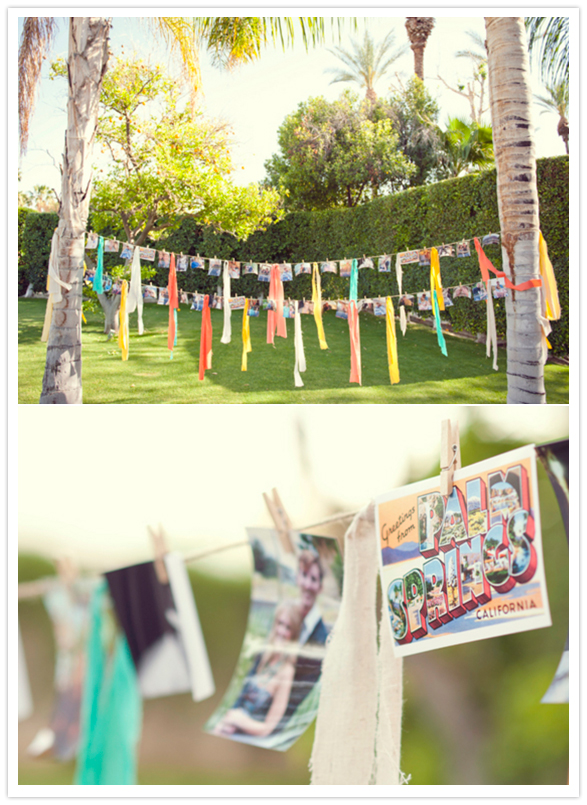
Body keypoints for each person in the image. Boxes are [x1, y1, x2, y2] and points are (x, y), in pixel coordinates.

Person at [214, 601, 303, 738]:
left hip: (250, 736)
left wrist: (239, 721)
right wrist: (227, 721)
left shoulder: (286, 671)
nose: (281, 631)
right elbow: (240, 699)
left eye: (288, 628)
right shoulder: (263, 656)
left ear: (294, 634)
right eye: (280, 623)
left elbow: (267, 729)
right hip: (232, 725)